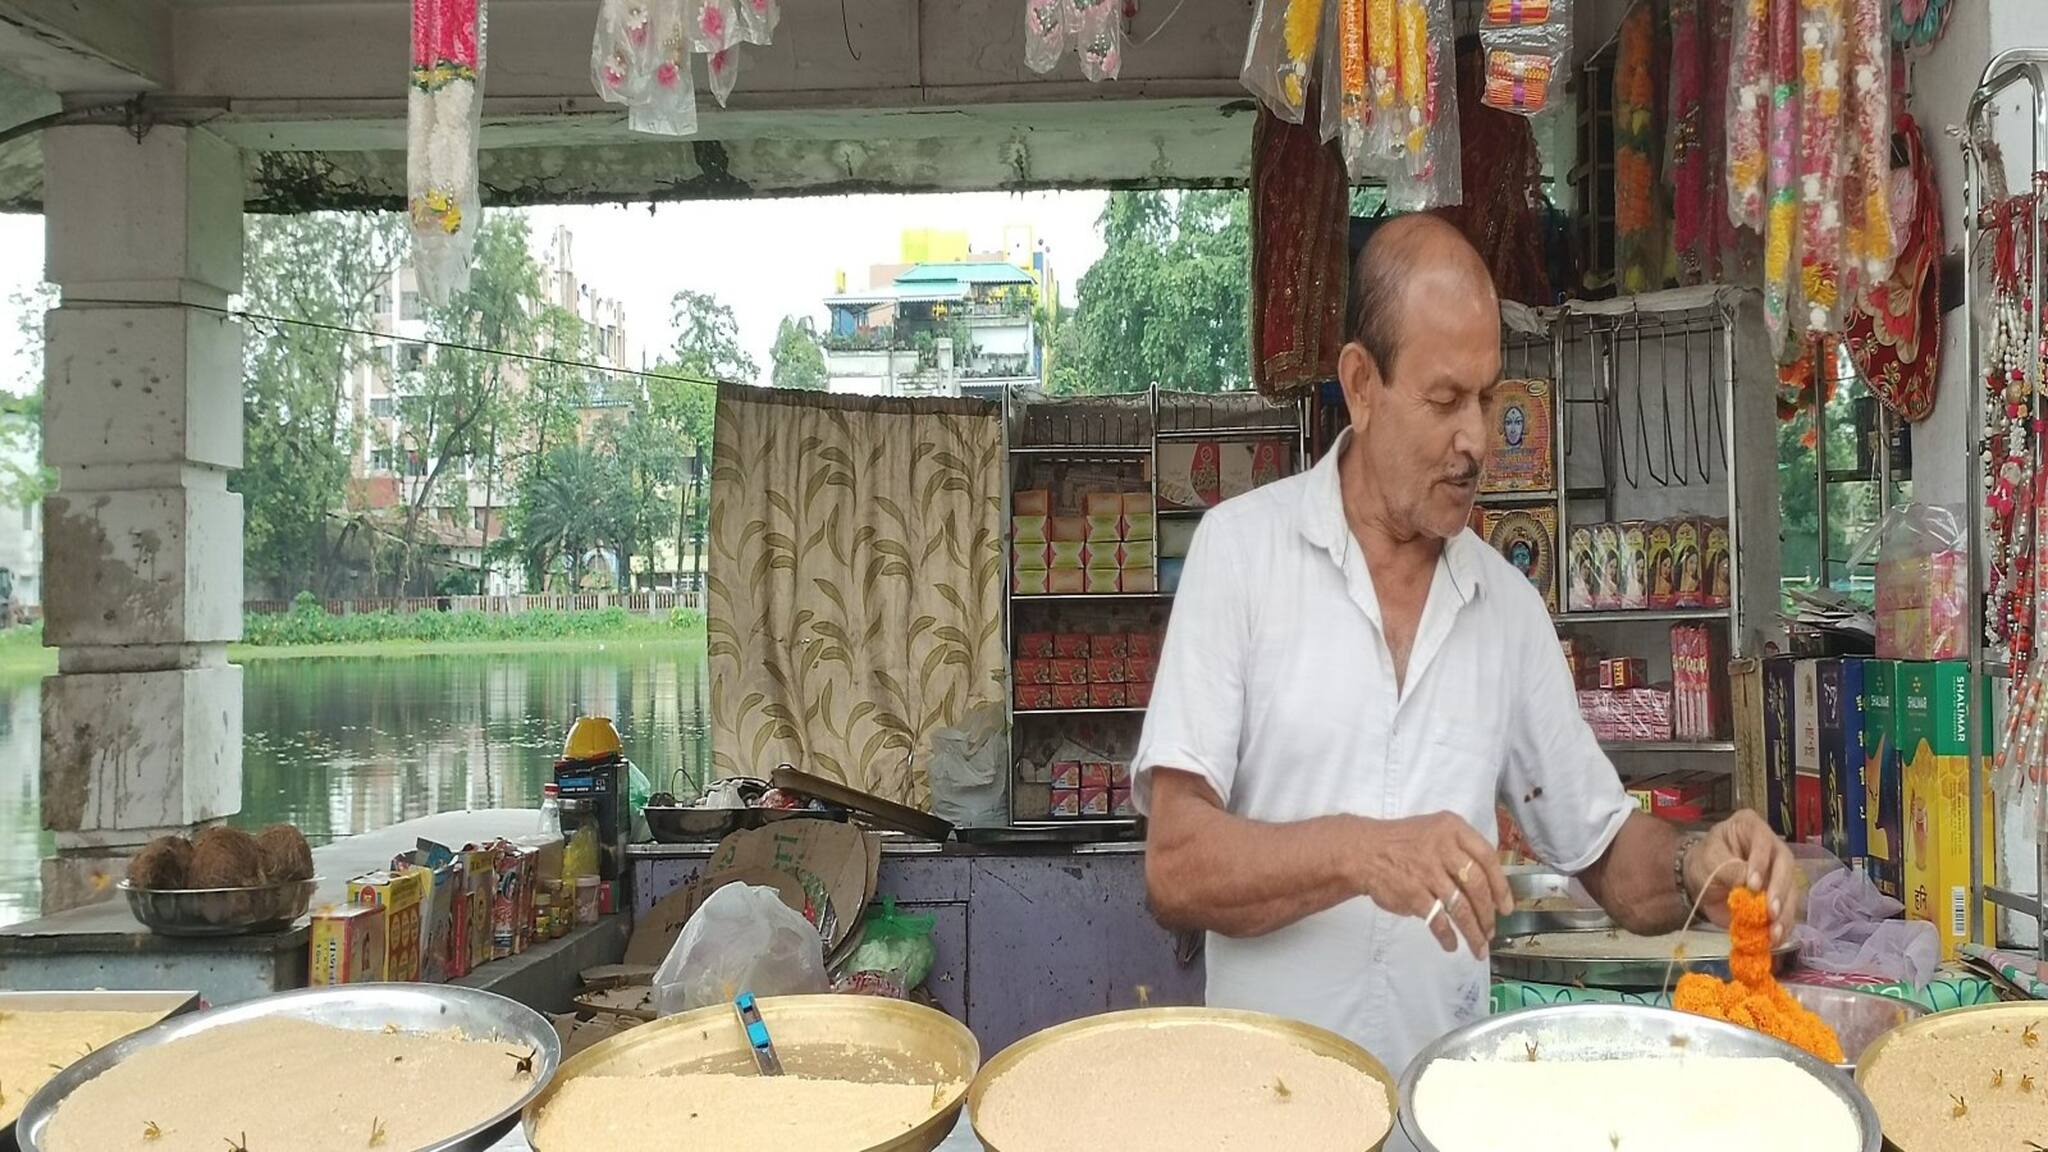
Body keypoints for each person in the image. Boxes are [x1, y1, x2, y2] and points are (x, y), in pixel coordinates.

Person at [1134, 215, 1800, 1088]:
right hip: (1265, 1108)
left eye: (1488, 397)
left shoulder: (1508, 609)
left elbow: (1605, 857)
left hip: (1437, 1106)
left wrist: (1696, 862)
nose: (1479, 440)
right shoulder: (1240, 556)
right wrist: (1361, 852)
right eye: (1445, 400)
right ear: (1362, 385)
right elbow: (1175, 867)